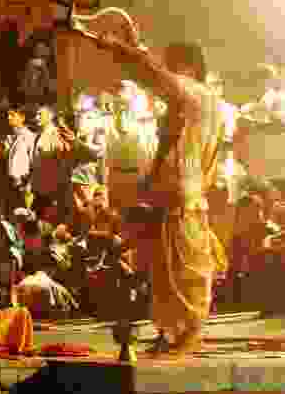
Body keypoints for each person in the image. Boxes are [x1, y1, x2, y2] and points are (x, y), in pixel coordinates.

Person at [91, 36, 227, 356]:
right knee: (164, 268)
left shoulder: (198, 95)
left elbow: (157, 77)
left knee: (186, 268)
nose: (170, 72)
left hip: (185, 191)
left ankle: (189, 334)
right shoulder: (187, 104)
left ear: (190, 68)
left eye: (174, 65)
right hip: (174, 191)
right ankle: (170, 332)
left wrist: (128, 51)